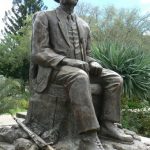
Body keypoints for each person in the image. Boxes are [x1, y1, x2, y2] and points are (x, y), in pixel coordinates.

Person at [30, 0, 133, 149]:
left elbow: (88, 55)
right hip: (54, 69)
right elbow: (39, 52)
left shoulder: (84, 24)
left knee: (114, 78)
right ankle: (88, 136)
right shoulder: (44, 17)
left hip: (80, 68)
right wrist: (68, 62)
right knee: (79, 76)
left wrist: (93, 63)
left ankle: (108, 125)